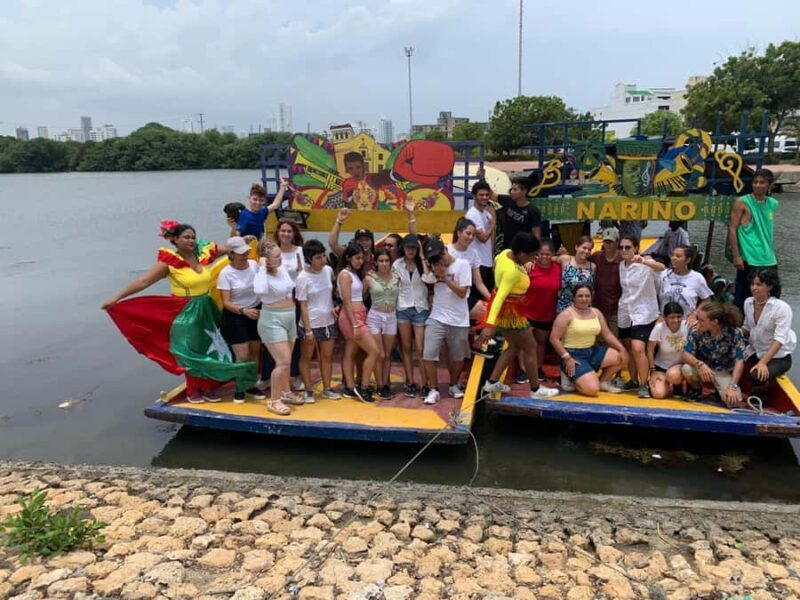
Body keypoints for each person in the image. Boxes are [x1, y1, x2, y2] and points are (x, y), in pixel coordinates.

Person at [102, 222, 254, 403]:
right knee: (189, 351)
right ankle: (193, 389)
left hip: (206, 307)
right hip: (185, 310)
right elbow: (143, 282)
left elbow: (228, 248)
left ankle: (207, 386)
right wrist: (116, 298)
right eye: (186, 237)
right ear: (175, 240)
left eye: (193, 237)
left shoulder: (202, 253)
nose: (191, 240)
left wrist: (242, 241)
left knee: (209, 347)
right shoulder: (169, 262)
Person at [476, 233, 560, 400]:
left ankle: (492, 382)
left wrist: (524, 264)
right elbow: (500, 297)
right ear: (521, 253)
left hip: (507, 310)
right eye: (531, 256)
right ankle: (536, 389)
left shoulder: (505, 254)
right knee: (531, 346)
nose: (533, 260)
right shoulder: (512, 272)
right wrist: (489, 325)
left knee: (514, 346)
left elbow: (500, 273)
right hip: (512, 312)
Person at [548, 284, 627, 397]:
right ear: (574, 297)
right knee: (592, 390)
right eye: (580, 296)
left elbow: (607, 335)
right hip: (572, 356)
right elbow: (554, 339)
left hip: (591, 351)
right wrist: (567, 358)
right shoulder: (566, 314)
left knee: (623, 357)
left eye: (587, 296)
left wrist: (621, 348)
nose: (584, 299)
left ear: (591, 297)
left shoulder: (596, 312)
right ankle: (569, 379)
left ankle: (602, 381)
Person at [254, 239, 303, 415]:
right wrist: (261, 268)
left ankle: (286, 391)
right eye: (276, 256)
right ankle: (274, 401)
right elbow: (260, 290)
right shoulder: (262, 274)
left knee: (287, 360)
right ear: (266, 259)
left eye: (280, 254)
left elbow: (291, 286)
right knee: (283, 361)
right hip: (272, 319)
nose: (281, 258)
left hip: (289, 315)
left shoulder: (282, 269)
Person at [421, 240, 472, 404]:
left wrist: (445, 278)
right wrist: (432, 270)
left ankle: (453, 384)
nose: (437, 262)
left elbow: (462, 293)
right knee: (428, 354)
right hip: (437, 316)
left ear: (445, 250)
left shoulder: (463, 265)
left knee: (458, 357)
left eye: (438, 257)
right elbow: (427, 279)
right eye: (433, 260)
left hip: (459, 319)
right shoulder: (434, 269)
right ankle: (433, 389)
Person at [216, 236, 267, 403]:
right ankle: (239, 388)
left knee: (255, 351)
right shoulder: (226, 273)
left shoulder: (253, 265)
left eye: (246, 252)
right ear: (231, 254)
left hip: (255, 312)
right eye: (240, 253)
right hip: (236, 314)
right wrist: (244, 311)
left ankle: (250, 384)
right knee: (242, 354)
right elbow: (226, 302)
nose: (245, 255)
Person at [618, 234, 665, 398]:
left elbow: (661, 267)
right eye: (622, 247)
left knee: (639, 348)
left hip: (644, 311)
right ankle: (633, 380)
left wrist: (644, 261)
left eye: (628, 247)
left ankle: (643, 384)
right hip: (625, 310)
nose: (624, 250)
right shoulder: (621, 266)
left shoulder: (646, 262)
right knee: (629, 347)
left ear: (636, 248)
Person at [296, 239, 340, 403]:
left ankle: (327, 388)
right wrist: (308, 330)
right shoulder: (302, 278)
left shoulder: (328, 270)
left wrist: (335, 307)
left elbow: (332, 293)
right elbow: (303, 304)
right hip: (310, 323)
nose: (322, 260)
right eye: (318, 258)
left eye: (323, 256)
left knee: (327, 357)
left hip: (328, 322)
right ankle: (308, 390)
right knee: (306, 357)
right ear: (309, 259)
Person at [337, 242, 381, 403]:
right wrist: (355, 324)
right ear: (348, 258)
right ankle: (363, 386)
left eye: (362, 258)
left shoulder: (354, 274)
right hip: (352, 317)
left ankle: (350, 387)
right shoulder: (345, 275)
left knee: (350, 352)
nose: (360, 261)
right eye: (357, 258)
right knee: (374, 351)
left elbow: (359, 296)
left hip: (359, 314)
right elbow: (347, 301)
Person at [680, 302, 746, 408]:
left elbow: (739, 360)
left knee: (732, 400)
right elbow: (685, 354)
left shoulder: (735, 333)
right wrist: (700, 364)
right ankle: (696, 389)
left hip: (723, 370)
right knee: (686, 369)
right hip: (702, 368)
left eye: (702, 320)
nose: (698, 322)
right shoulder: (696, 330)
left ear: (714, 322)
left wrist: (732, 386)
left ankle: (719, 393)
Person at [729, 168, 778, 309]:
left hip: (769, 258)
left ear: (770, 185)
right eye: (755, 182)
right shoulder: (742, 202)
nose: (757, 185)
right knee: (743, 298)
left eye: (762, 182)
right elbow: (732, 228)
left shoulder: (773, 204)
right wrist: (736, 255)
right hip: (750, 258)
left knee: (771, 300)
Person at [329, 201, 418, 274]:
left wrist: (411, 215)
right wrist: (339, 221)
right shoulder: (350, 254)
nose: (364, 243)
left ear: (372, 241)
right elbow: (333, 244)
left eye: (367, 240)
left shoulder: (379, 256)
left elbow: (413, 241)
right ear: (356, 242)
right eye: (360, 240)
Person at [743, 269, 796, 390]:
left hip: (777, 357)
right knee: (730, 362)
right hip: (755, 350)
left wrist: (762, 363)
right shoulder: (748, 302)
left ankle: (762, 395)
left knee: (757, 376)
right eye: (752, 284)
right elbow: (747, 327)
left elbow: (779, 339)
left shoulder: (781, 308)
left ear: (770, 287)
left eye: (759, 285)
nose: (754, 288)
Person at [393, 233, 431, 397]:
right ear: (403, 248)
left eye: (414, 248)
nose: (411, 251)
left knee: (421, 349)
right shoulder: (397, 264)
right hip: (402, 307)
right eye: (408, 247)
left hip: (420, 308)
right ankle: (409, 380)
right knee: (406, 347)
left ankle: (425, 383)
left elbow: (429, 279)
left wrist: (422, 256)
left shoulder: (422, 264)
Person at [521, 238, 561, 380]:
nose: (544, 257)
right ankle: (524, 370)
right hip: (527, 311)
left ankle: (537, 369)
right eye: (541, 254)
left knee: (541, 342)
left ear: (553, 254)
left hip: (546, 313)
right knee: (525, 343)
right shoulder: (529, 267)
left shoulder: (558, 267)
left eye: (548, 254)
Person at [364, 249, 401, 399]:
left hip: (391, 316)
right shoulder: (369, 278)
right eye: (381, 261)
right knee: (379, 353)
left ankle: (385, 384)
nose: (384, 264)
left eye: (386, 261)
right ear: (376, 262)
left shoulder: (397, 277)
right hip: (375, 316)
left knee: (387, 355)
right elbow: (360, 296)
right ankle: (379, 385)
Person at [448, 217, 492, 322]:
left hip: (465, 297)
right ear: (459, 233)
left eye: (473, 235)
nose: (471, 237)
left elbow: (479, 283)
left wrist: (492, 300)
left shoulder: (473, 254)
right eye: (468, 234)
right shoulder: (447, 250)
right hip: (448, 297)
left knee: (489, 312)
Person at [657, 245, 712, 323]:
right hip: (664, 321)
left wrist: (695, 314)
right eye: (672, 255)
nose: (674, 258)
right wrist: (658, 314)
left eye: (678, 256)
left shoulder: (697, 278)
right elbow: (654, 295)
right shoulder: (663, 275)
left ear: (688, 260)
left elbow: (706, 300)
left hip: (686, 322)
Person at [646, 302, 689, 399]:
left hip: (678, 368)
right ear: (665, 318)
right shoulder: (659, 328)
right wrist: (652, 370)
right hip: (660, 366)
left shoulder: (687, 325)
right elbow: (649, 350)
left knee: (673, 375)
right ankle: (659, 384)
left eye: (679, 317)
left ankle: (677, 384)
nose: (676, 320)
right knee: (659, 394)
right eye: (672, 317)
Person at [465, 179, 497, 290]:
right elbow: (483, 238)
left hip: (487, 262)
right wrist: (493, 224)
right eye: (481, 195)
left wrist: (492, 258)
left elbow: (490, 240)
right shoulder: (472, 214)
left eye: (487, 195)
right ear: (474, 196)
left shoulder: (486, 213)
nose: (484, 197)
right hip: (477, 264)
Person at [589, 227, 622, 334]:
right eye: (606, 241)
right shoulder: (597, 256)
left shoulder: (622, 258)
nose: (608, 244)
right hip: (598, 306)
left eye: (611, 242)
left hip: (616, 309)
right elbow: (581, 260)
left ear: (617, 242)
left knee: (614, 338)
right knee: (597, 338)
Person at [496, 176, 542, 250]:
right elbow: (491, 195)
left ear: (524, 191)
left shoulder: (533, 211)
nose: (511, 192)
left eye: (515, 190)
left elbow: (536, 234)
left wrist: (536, 252)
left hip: (523, 250)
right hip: (507, 248)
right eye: (511, 189)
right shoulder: (508, 201)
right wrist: (481, 177)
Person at [556, 236, 596, 313]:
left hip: (584, 309)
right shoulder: (565, 259)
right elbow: (547, 260)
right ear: (576, 247)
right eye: (584, 248)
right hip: (564, 307)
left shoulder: (592, 266)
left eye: (589, 249)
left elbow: (592, 289)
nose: (586, 251)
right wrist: (531, 262)